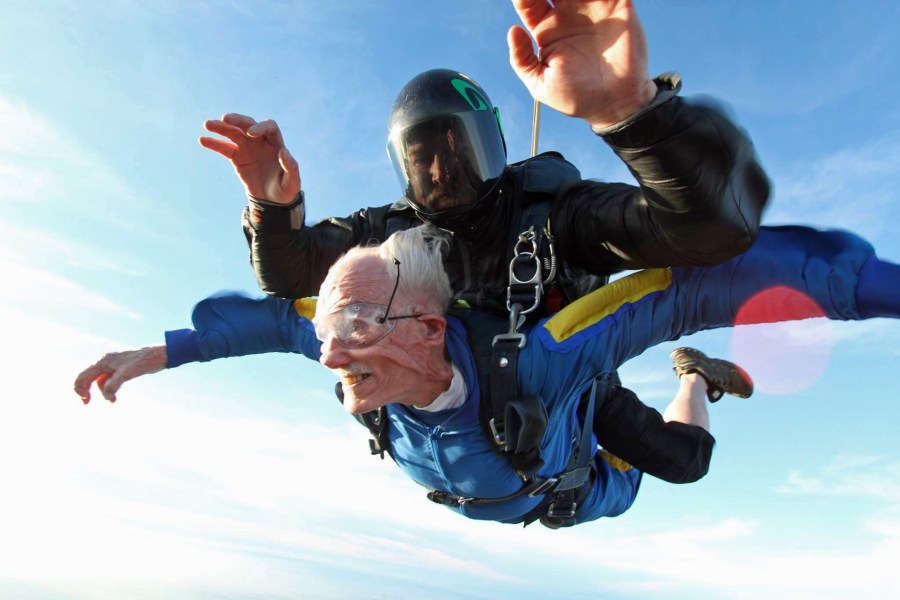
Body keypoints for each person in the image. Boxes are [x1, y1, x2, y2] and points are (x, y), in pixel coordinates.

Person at [198, 0, 771, 484]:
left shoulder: (553, 215)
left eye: (458, 151)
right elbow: (289, 276)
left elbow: (709, 230)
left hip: (572, 376)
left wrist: (634, 113)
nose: (444, 174)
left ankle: (693, 374)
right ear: (403, 171)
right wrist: (272, 207)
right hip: (472, 397)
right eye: (423, 162)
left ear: (492, 145)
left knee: (684, 462)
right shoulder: (391, 230)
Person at [75, 224, 900, 527]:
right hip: (523, 448)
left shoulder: (543, 354)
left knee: (685, 463)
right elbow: (267, 323)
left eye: (355, 329)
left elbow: (688, 288)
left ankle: (694, 381)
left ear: (431, 329)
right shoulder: (353, 350)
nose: (329, 354)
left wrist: (880, 291)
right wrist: (155, 354)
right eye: (330, 330)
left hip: (575, 456)